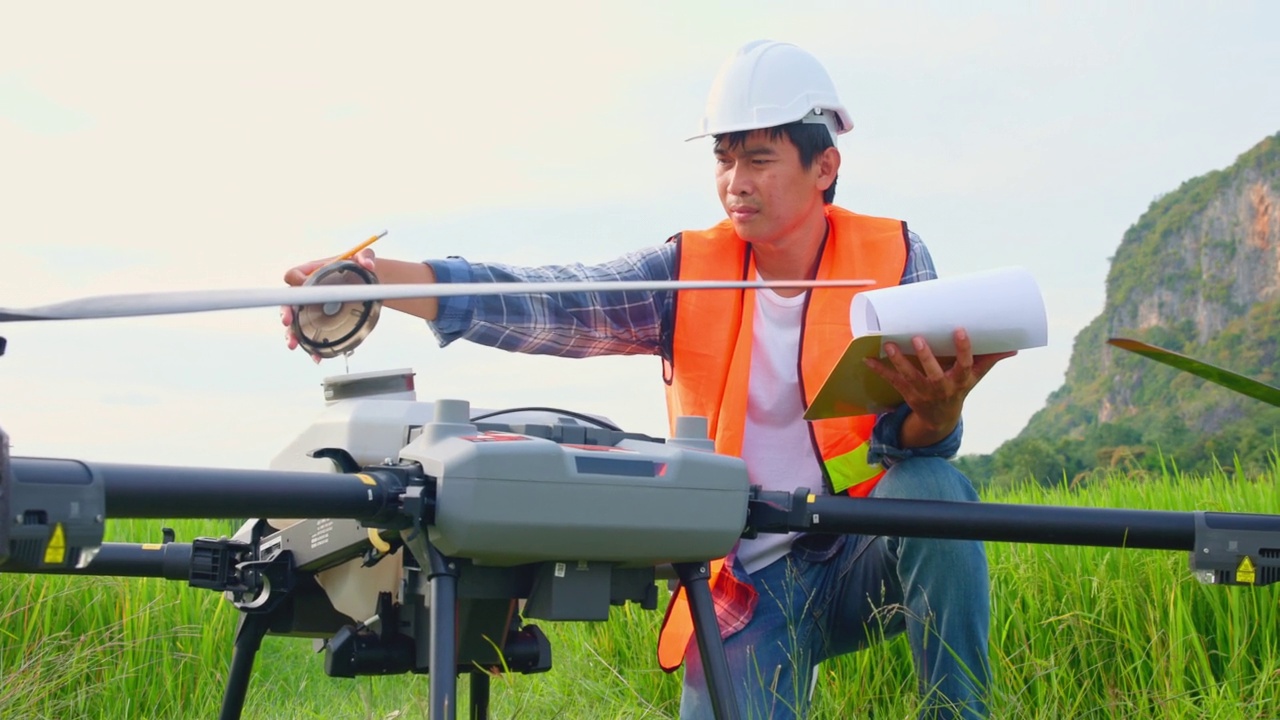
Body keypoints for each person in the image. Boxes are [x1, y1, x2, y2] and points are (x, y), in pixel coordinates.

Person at [284, 39, 1013, 720]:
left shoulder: (893, 255)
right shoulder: (687, 273)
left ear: (823, 167)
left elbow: (920, 444)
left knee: (934, 488)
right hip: (750, 576)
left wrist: (939, 415)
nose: (735, 182)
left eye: (760, 159)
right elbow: (550, 301)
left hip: (862, 544)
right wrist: (381, 283)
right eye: (724, 160)